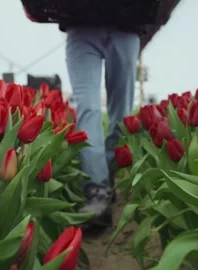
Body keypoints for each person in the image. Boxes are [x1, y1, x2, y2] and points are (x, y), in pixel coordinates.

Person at [23, 0, 181, 230]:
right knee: (88, 108)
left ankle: (107, 176)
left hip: (127, 27)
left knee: (122, 113)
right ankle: (96, 189)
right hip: (81, 27)